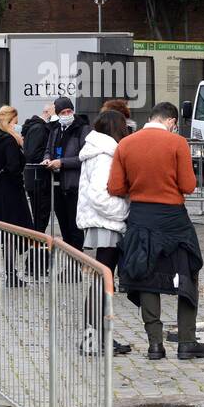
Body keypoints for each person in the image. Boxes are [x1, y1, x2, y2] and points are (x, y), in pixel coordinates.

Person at [108, 102, 204, 361]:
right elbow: (189, 185)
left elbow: (114, 186)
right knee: (187, 274)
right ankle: (187, 341)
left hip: (141, 218)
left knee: (146, 278)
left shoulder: (125, 144)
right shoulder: (176, 143)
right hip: (173, 221)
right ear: (171, 121)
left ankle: (155, 345)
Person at [76, 109, 133, 356]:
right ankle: (93, 338)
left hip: (105, 221)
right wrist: (123, 213)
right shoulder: (104, 155)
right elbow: (99, 195)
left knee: (102, 281)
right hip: (107, 222)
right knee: (103, 281)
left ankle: (97, 336)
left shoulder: (100, 151)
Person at [0, 105, 34, 284]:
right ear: (9, 122)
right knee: (10, 233)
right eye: (15, 123)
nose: (17, 126)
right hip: (9, 192)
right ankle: (11, 274)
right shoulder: (9, 141)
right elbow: (13, 167)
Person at [44, 96, 91, 250]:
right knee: (64, 227)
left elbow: (84, 157)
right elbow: (48, 150)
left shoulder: (83, 129)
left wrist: (62, 162)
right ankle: (70, 264)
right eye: (63, 112)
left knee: (75, 228)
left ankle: (77, 264)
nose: (66, 114)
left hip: (74, 185)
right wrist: (47, 159)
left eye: (69, 111)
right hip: (57, 184)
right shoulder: (55, 129)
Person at [21, 103, 55, 232]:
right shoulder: (39, 128)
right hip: (38, 177)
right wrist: (47, 158)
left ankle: (37, 245)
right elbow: (32, 153)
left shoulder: (36, 127)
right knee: (41, 214)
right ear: (47, 113)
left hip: (35, 177)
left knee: (40, 214)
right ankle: (37, 247)